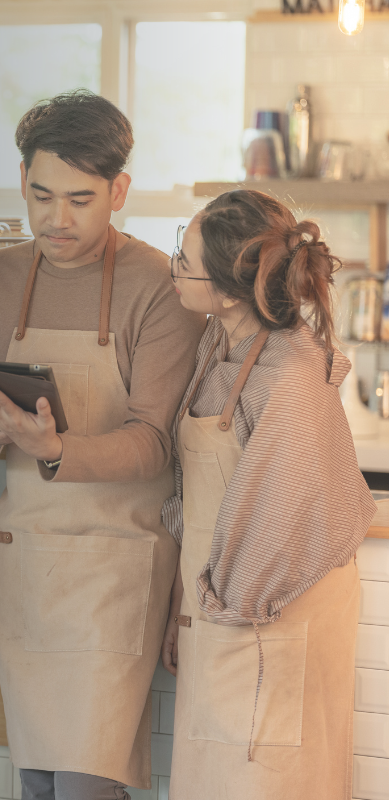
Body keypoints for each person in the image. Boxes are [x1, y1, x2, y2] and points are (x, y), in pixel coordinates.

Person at [0, 90, 206, 799]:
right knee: (36, 782)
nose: (56, 220)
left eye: (80, 199)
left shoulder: (158, 284)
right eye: (40, 196)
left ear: (119, 190)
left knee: (87, 785)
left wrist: (54, 446)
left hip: (115, 571)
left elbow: (154, 443)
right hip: (25, 564)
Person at [159, 190, 374, 798]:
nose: (173, 264)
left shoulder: (289, 371)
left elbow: (279, 519)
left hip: (262, 613)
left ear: (228, 290)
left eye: (185, 257)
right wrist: (187, 607)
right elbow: (195, 499)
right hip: (220, 609)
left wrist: (216, 607)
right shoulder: (215, 342)